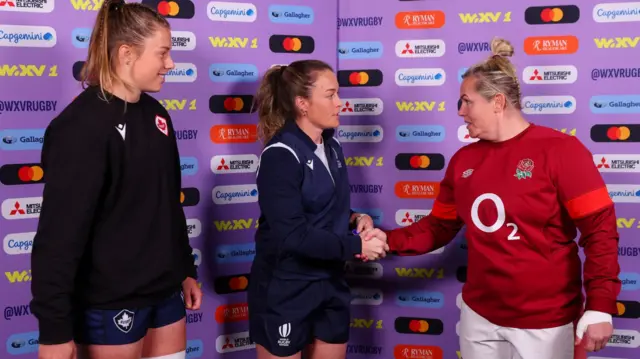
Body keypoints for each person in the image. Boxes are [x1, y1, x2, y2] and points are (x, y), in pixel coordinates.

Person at [363, 37, 621, 359]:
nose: (460, 112)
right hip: (479, 316)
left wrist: (600, 305)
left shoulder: (562, 151)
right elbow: (438, 227)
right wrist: (388, 239)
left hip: (546, 321)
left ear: (497, 103)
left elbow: (600, 231)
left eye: (467, 102)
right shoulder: (463, 161)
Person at [29, 1, 202, 358]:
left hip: (166, 295)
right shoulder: (80, 127)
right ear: (126, 53)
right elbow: (58, 239)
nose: (170, 64)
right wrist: (54, 331)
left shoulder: (157, 115)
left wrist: (183, 269)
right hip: (109, 303)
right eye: (163, 53)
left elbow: (168, 202)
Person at [248, 60, 388, 359]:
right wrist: (357, 245)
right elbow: (292, 235)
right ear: (302, 104)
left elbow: (324, 207)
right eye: (330, 95)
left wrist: (356, 219)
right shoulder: (280, 155)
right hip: (285, 289)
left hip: (331, 283)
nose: (340, 103)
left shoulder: (332, 147)